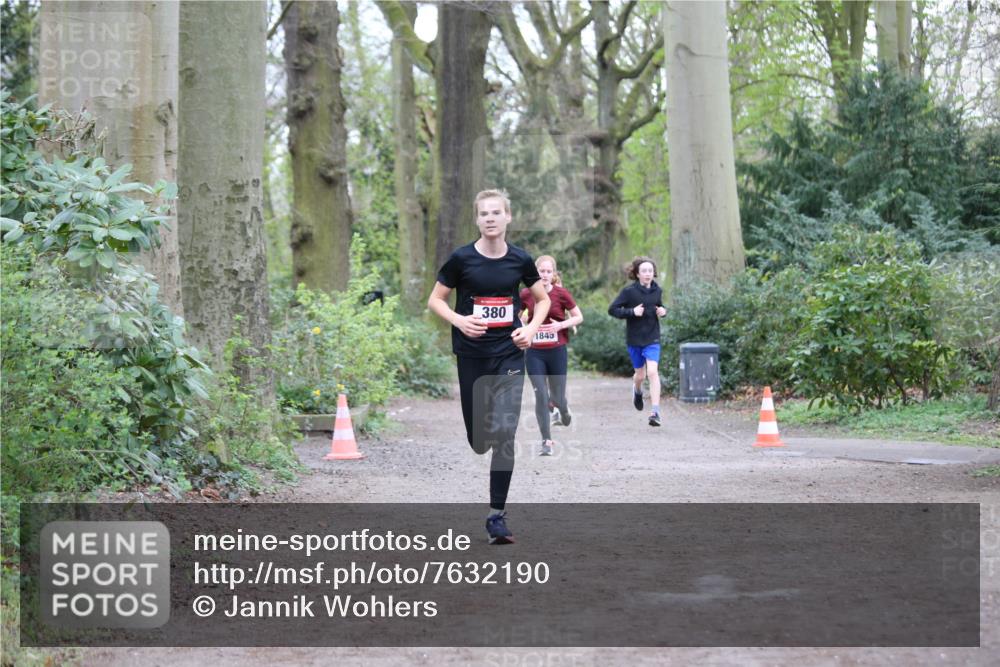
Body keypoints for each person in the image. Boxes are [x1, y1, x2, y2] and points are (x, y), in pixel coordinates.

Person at [427, 189, 550, 544]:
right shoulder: (461, 259)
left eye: (497, 212)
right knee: (480, 440)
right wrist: (459, 321)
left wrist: (529, 328)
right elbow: (436, 299)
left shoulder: (521, 260)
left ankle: (497, 515)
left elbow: (540, 300)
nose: (491, 218)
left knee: (505, 432)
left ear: (508, 217)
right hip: (471, 354)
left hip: (509, 353)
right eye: (484, 214)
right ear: (477, 219)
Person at [520, 255, 583, 456]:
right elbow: (516, 316)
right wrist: (524, 327)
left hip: (556, 351)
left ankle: (563, 411)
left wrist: (561, 325)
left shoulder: (561, 293)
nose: (544, 275)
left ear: (553, 274)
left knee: (557, 398)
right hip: (535, 352)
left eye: (548, 271)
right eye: (541, 271)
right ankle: (546, 441)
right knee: (541, 395)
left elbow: (578, 317)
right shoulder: (526, 294)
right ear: (536, 273)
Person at [608, 256, 666, 427]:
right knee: (640, 375)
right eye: (644, 271)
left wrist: (663, 311)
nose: (648, 274)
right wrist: (632, 312)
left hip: (652, 338)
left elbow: (659, 306)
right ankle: (637, 390)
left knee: (652, 372)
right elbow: (613, 310)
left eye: (650, 271)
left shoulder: (657, 291)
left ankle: (655, 412)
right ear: (637, 274)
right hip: (634, 339)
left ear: (653, 273)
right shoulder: (629, 292)